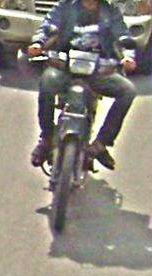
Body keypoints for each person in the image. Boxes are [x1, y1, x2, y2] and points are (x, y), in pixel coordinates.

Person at [28, 0, 137, 169]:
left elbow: (123, 37)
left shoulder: (111, 12)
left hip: (98, 70)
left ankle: (101, 144)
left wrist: (128, 56)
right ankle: (47, 139)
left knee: (128, 91)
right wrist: (38, 43)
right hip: (65, 67)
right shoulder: (65, 7)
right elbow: (48, 27)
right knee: (47, 83)